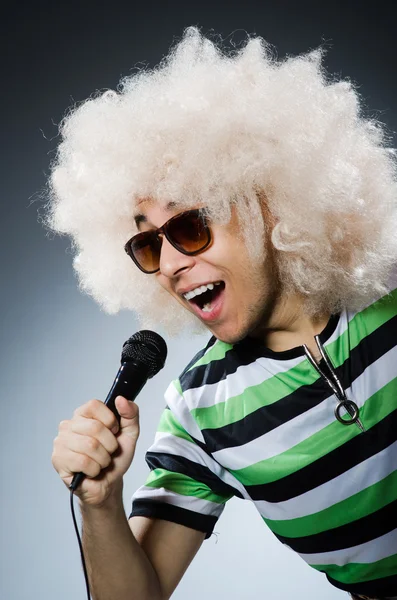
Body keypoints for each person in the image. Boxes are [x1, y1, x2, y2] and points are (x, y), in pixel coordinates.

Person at [49, 27, 397, 600]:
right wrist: (102, 505)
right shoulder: (200, 411)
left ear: (268, 204)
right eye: (147, 246)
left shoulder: (388, 286)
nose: (168, 265)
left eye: (189, 225)